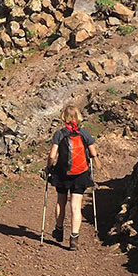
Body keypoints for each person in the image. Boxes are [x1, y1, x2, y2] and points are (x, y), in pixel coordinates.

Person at [46, 105, 97, 249]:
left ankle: (59, 229)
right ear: (78, 116)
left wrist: (49, 167)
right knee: (76, 207)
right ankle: (74, 238)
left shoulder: (59, 134)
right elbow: (93, 153)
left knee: (60, 202)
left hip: (62, 174)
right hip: (80, 174)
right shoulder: (84, 133)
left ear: (64, 117)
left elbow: (52, 155)